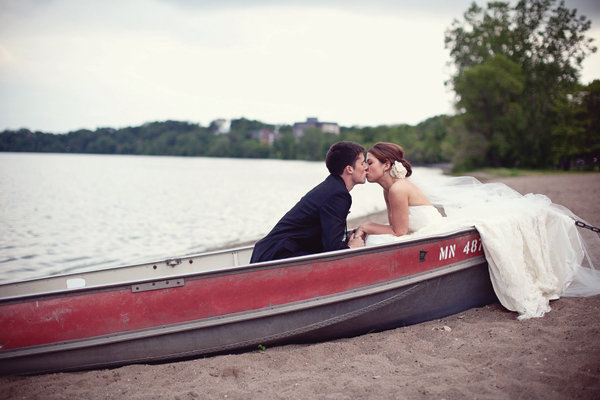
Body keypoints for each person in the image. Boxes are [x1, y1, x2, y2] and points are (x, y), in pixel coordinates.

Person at [250, 141, 368, 263]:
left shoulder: (333, 187)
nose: (366, 167)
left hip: (273, 253)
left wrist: (346, 240)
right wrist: (352, 247)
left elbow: (326, 238)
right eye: (362, 162)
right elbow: (332, 249)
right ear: (349, 169)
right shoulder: (337, 194)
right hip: (276, 257)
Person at [354, 142, 443, 241]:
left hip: (433, 235)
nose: (366, 167)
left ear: (386, 165)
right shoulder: (387, 190)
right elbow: (393, 226)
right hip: (416, 233)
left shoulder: (398, 189)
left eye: (370, 163)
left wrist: (366, 226)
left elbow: (398, 232)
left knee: (373, 240)